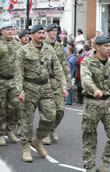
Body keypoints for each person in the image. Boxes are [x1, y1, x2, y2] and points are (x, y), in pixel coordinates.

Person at [14, 24, 64, 162]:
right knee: (27, 121)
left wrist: (63, 85)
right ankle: (26, 148)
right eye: (39, 33)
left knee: (50, 116)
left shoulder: (49, 49)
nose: (42, 35)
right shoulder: (23, 51)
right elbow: (18, 73)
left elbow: (58, 68)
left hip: (46, 87)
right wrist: (20, 90)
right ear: (32, 34)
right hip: (29, 88)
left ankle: (37, 139)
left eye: (43, 33)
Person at [80, 35, 110, 172]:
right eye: (106, 46)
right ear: (96, 47)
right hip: (92, 103)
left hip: (109, 103)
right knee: (89, 137)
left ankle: (104, 164)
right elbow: (85, 78)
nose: (109, 48)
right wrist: (94, 89)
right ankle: (89, 167)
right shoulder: (87, 62)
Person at [42, 23, 71, 145]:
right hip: (46, 81)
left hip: (58, 81)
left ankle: (52, 128)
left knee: (60, 110)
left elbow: (64, 63)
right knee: (48, 110)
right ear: (47, 32)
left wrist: (68, 80)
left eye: (56, 30)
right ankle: (46, 132)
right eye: (52, 31)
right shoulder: (42, 45)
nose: (55, 32)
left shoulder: (59, 46)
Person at [0, 23, 21, 146]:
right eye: (7, 29)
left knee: (15, 105)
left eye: (11, 29)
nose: (10, 31)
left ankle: (10, 130)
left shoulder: (17, 45)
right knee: (1, 107)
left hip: (13, 80)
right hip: (1, 80)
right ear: (1, 31)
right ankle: (1, 133)